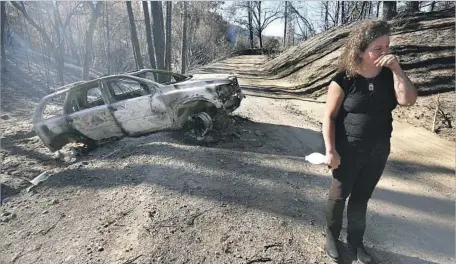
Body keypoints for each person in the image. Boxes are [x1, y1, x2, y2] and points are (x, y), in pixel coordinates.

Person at [322, 20, 417, 263]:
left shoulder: (389, 75)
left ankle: (356, 242)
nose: (385, 52)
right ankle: (332, 237)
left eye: (388, 46)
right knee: (339, 194)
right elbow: (329, 118)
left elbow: (408, 100)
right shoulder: (343, 79)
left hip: (378, 150)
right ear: (361, 49)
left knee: (362, 197)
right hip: (348, 149)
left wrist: (397, 70)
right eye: (378, 48)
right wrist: (331, 150)